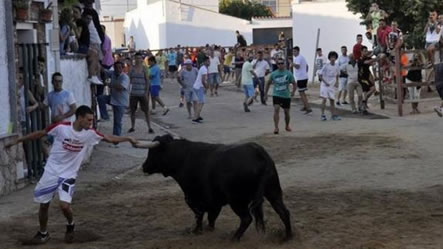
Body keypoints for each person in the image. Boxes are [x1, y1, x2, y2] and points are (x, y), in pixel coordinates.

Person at [4, 105, 138, 245]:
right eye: (88, 120)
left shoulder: (90, 133)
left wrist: (127, 138)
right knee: (43, 205)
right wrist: (17, 141)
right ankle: (43, 233)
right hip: (51, 171)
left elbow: (110, 139)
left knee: (65, 206)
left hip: (68, 174)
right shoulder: (61, 128)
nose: (91, 123)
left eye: (91, 120)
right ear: (79, 118)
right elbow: (41, 133)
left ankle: (70, 224)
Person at [97, 61, 130, 144]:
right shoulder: (112, 73)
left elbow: (120, 87)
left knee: (117, 121)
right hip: (113, 99)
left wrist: (109, 84)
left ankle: (116, 140)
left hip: (121, 103)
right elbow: (103, 70)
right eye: (116, 67)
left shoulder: (125, 77)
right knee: (100, 98)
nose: (118, 69)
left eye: (119, 67)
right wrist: (97, 61)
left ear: (122, 68)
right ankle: (105, 116)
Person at [264, 58, 296, 134]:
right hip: (276, 94)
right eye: (279, 64)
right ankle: (276, 127)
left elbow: (294, 83)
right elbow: (268, 83)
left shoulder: (288, 73)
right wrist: (265, 94)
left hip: (286, 95)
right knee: (276, 109)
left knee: (286, 112)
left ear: (284, 64)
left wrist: (293, 92)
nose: (280, 65)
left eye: (282, 63)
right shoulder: (274, 73)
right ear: (277, 65)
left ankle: (287, 125)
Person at [128, 53, 154, 133]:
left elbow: (147, 81)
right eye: (137, 58)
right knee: (132, 111)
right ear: (134, 59)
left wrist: (146, 92)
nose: (138, 60)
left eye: (140, 58)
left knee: (146, 111)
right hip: (133, 93)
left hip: (142, 93)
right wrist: (129, 92)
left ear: (142, 59)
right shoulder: (131, 69)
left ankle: (149, 127)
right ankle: (132, 126)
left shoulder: (144, 68)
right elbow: (128, 80)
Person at [318, 51, 341, 121]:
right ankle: (322, 115)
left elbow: (337, 74)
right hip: (325, 85)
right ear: (329, 58)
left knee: (332, 100)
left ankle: (333, 115)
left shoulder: (337, 66)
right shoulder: (326, 66)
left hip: (332, 85)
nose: (333, 59)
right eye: (331, 57)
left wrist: (337, 82)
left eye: (334, 57)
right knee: (324, 99)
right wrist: (325, 82)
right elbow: (320, 75)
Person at [291, 46, 312, 114]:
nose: (293, 53)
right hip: (301, 77)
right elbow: (307, 66)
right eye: (293, 51)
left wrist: (291, 63)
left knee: (302, 93)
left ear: (298, 51)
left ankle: (308, 108)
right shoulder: (298, 57)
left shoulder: (299, 58)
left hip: (301, 78)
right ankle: (305, 106)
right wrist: (305, 73)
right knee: (302, 93)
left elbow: (297, 66)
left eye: (295, 51)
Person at [358, 46, 377, 114]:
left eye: (366, 51)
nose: (366, 52)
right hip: (362, 78)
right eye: (364, 51)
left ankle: (363, 101)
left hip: (367, 77)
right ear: (362, 52)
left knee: (373, 89)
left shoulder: (367, 57)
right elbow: (367, 62)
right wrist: (376, 58)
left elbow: (372, 63)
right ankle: (363, 106)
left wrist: (374, 53)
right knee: (365, 92)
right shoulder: (360, 59)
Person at [192, 56, 210, 123]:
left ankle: (198, 116)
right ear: (205, 62)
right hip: (199, 87)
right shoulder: (204, 69)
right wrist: (206, 87)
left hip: (197, 86)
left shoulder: (203, 68)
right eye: (208, 61)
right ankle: (195, 117)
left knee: (200, 102)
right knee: (201, 102)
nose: (209, 62)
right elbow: (203, 80)